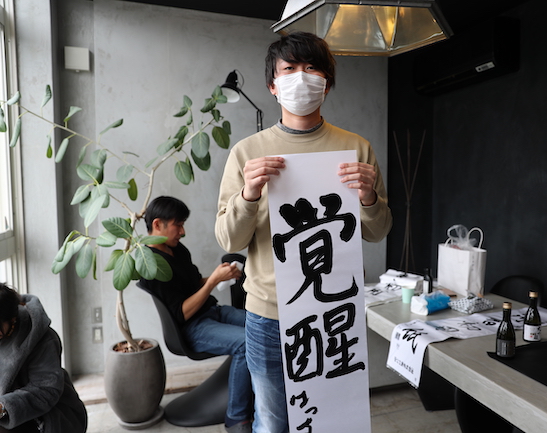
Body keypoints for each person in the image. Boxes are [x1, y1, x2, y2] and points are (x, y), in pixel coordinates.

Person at [215, 31, 392, 433]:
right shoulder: (247, 152)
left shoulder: (356, 148)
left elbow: (378, 231)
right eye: (289, 68)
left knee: (333, 420)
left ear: (326, 83)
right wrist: (248, 194)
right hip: (269, 315)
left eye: (312, 68)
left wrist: (368, 197)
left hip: (335, 312)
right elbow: (230, 240)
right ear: (272, 85)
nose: (301, 77)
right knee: (273, 421)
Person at [141, 196, 253, 433]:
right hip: (192, 328)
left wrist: (220, 276)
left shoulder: (177, 250)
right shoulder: (150, 265)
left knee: (264, 326)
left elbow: (194, 284)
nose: (182, 232)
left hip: (212, 312)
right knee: (246, 344)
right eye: (178, 225)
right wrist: (212, 282)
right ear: (158, 224)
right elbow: (181, 313)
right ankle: (236, 418)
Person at [0, 283, 87, 433]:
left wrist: (3, 407)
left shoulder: (42, 337)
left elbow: (46, 390)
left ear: (12, 319)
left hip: (49, 415)